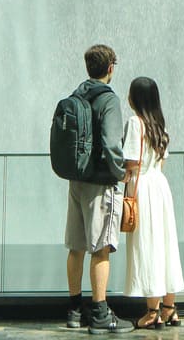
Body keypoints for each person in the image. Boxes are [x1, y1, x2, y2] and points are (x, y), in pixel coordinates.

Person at [63, 43, 126, 334]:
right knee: (101, 247)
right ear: (110, 68)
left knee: (76, 247)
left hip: (76, 181)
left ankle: (76, 309)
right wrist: (121, 173)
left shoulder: (78, 94)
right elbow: (112, 144)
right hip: (100, 184)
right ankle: (100, 312)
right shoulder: (109, 100)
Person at [122, 77, 184, 329]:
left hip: (143, 187)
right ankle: (170, 308)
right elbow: (162, 161)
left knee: (147, 246)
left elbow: (131, 163)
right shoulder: (161, 125)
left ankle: (152, 312)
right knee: (166, 244)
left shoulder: (135, 123)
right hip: (160, 185)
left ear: (135, 98)